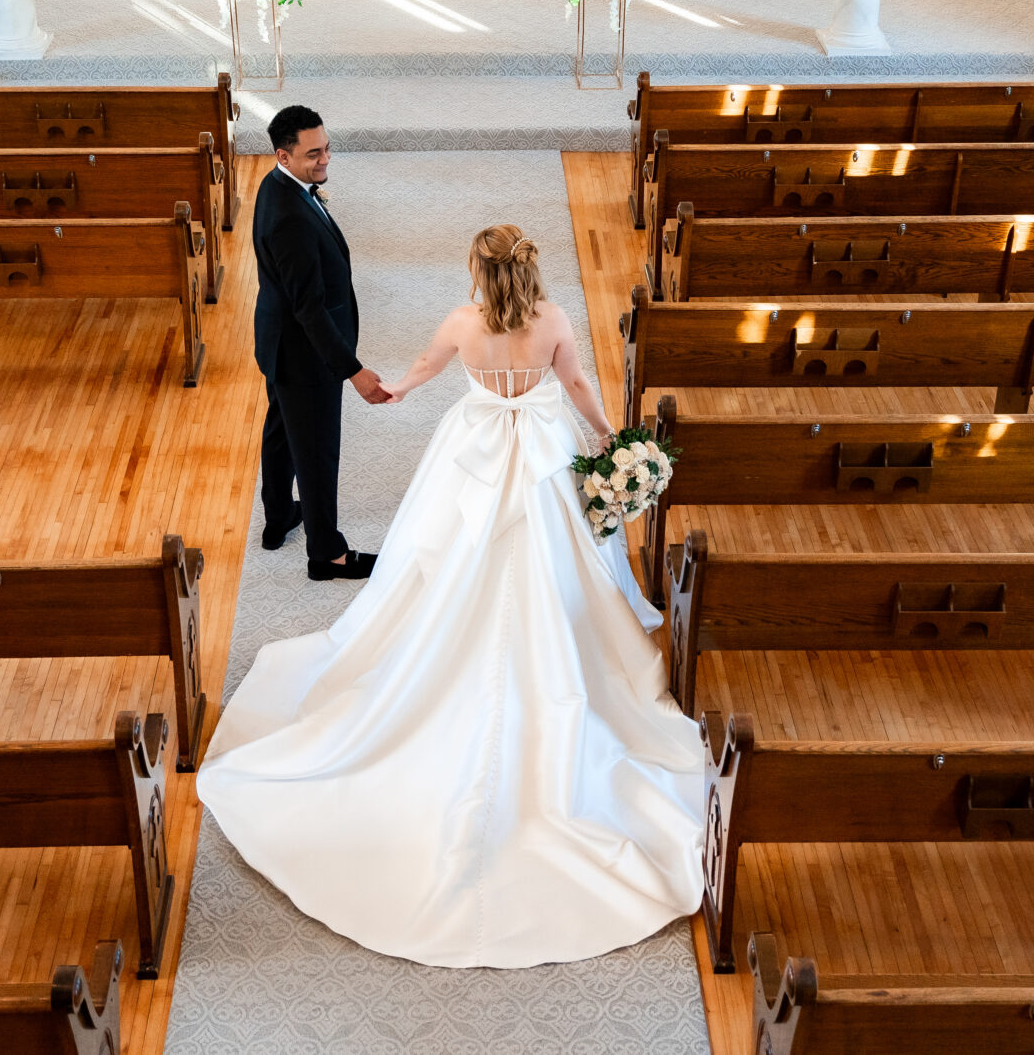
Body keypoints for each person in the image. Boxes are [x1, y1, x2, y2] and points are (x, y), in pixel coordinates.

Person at [197, 224, 707, 969]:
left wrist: (393, 387)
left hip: (471, 455)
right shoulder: (555, 322)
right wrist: (612, 434)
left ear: (478, 269)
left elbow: (422, 372)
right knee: (561, 566)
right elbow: (576, 388)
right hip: (538, 457)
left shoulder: (464, 325)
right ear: (529, 269)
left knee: (437, 559)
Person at [253, 105, 391, 581]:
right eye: (314, 154)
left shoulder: (276, 185)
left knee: (280, 430)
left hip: (278, 343)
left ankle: (277, 519)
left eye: (327, 148)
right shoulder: (289, 215)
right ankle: (326, 554)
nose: (324, 160)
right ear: (284, 155)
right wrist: (351, 369)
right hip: (305, 354)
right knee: (315, 449)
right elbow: (308, 307)